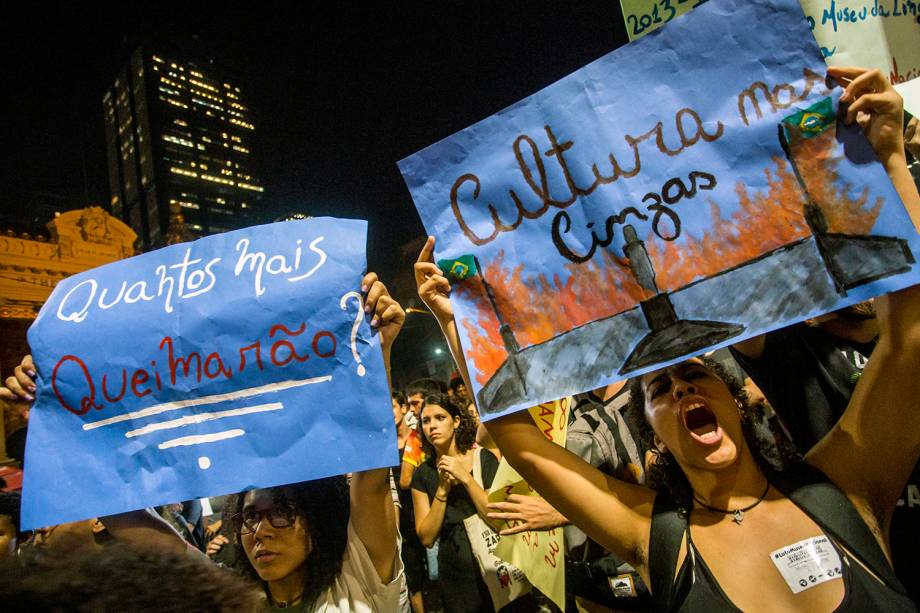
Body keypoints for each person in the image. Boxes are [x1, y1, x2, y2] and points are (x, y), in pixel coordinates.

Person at [418, 67, 920, 611]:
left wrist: (888, 158)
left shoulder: (844, 488)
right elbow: (522, 441)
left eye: (695, 373)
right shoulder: (652, 537)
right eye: (658, 390)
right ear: (652, 435)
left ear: (738, 399)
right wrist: (457, 321)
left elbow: (910, 339)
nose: (680, 389)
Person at [231, 271, 405, 612]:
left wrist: (376, 351)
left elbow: (372, 480)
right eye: (249, 517)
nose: (261, 531)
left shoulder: (357, 581)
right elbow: (165, 550)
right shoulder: (233, 603)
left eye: (281, 512)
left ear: (318, 516)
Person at [410, 393, 499, 613]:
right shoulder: (423, 474)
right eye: (426, 421)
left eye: (440, 418)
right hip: (455, 573)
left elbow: (496, 516)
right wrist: (442, 490)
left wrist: (466, 478)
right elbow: (426, 537)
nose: (432, 426)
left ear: (456, 421)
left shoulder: (483, 458)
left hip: (493, 559)